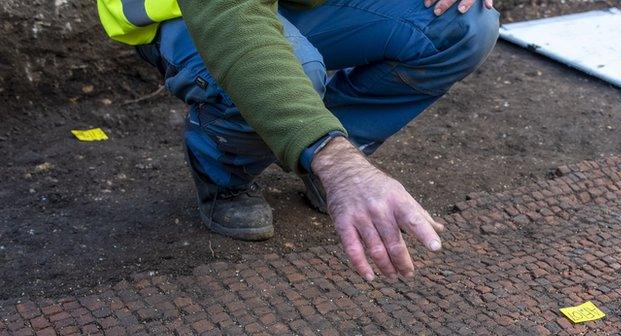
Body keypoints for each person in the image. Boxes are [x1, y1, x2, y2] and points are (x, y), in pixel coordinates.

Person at [96, 0, 500, 281]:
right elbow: (234, 20)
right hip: (191, 13)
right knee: (292, 71)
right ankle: (226, 174)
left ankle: (314, 146)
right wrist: (339, 165)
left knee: (464, 25)